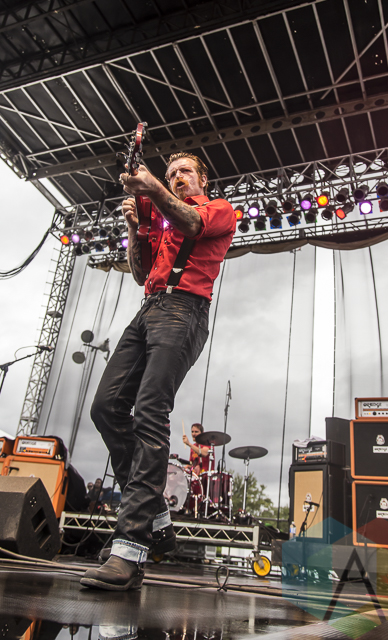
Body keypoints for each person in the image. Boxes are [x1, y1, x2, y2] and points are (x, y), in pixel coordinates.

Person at [80, 152, 236, 590]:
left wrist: (152, 186)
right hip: (148, 309)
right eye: (170, 174)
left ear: (202, 178)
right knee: (106, 407)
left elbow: (192, 222)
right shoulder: (161, 224)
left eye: (184, 172)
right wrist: (134, 226)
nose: (177, 177)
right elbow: (139, 273)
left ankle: (130, 549)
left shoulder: (219, 209)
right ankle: (158, 516)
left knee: (150, 412)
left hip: (185, 310)